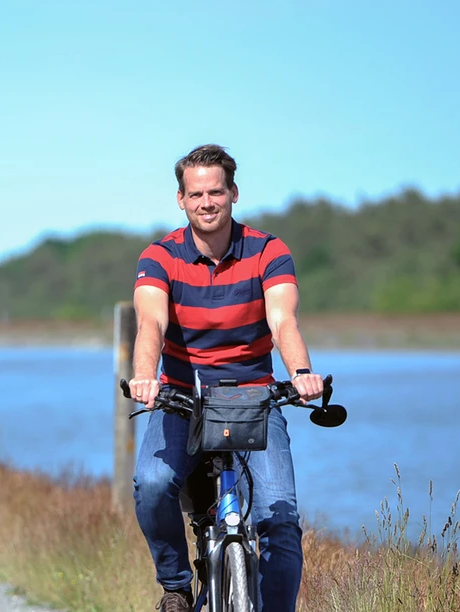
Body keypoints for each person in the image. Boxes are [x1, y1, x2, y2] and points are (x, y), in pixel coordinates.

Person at [128, 145, 325, 612]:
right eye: (196, 194)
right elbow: (150, 324)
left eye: (216, 191)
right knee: (152, 485)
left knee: (280, 518)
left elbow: (283, 322)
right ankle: (176, 586)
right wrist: (143, 378)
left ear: (233, 193)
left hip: (255, 397)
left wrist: (300, 373)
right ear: (181, 199)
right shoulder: (160, 256)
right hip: (181, 396)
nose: (207, 202)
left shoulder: (268, 250)